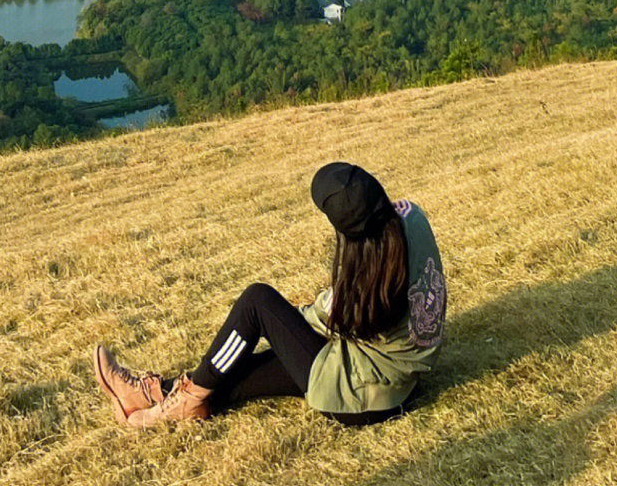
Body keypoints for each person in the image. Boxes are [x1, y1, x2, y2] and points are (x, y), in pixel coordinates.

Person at [93, 160, 446, 429]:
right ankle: (159, 395)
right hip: (399, 384)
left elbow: (327, 316)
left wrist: (288, 324)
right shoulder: (413, 219)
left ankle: (180, 398)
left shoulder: (363, 282)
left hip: (360, 394)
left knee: (257, 303)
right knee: (242, 375)